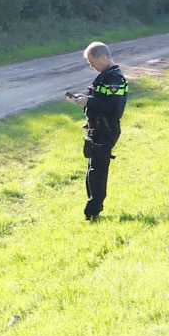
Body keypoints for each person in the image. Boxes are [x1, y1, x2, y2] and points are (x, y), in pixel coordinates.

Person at [63, 42, 129, 221]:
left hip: (106, 129)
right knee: (92, 171)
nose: (92, 67)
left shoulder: (115, 79)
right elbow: (100, 99)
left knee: (98, 171)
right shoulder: (105, 76)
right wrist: (83, 99)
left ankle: (93, 210)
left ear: (103, 57)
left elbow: (112, 108)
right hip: (96, 128)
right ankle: (92, 208)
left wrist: (88, 102)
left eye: (93, 63)